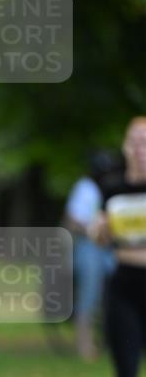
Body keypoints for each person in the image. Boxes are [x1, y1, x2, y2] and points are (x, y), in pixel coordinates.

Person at [88, 117, 146, 377]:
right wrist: (99, 230)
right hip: (125, 288)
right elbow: (101, 236)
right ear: (126, 147)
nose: (141, 150)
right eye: (135, 143)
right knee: (126, 368)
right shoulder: (112, 190)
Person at [63, 152, 118, 360]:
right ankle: (85, 345)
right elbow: (72, 220)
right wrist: (92, 230)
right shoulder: (85, 188)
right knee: (89, 294)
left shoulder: (112, 187)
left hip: (110, 247)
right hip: (89, 246)